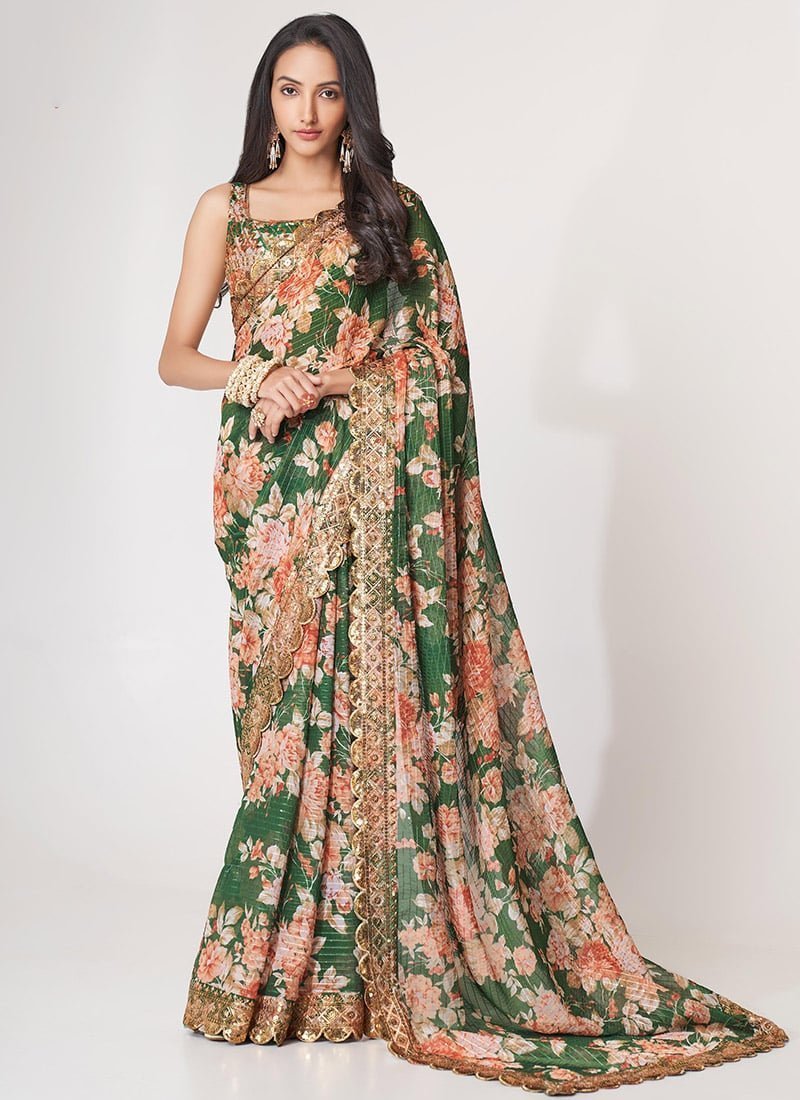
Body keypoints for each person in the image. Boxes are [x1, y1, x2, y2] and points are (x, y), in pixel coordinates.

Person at [158, 13, 788, 1095]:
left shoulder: (392, 214)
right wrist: (258, 372)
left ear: (354, 103)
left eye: (327, 92)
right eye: (288, 90)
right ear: (264, 99)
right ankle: (301, 968)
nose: (307, 112)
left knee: (364, 713)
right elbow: (176, 357)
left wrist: (341, 381)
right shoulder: (226, 209)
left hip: (368, 485)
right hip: (273, 497)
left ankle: (362, 973)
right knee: (283, 725)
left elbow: (438, 368)